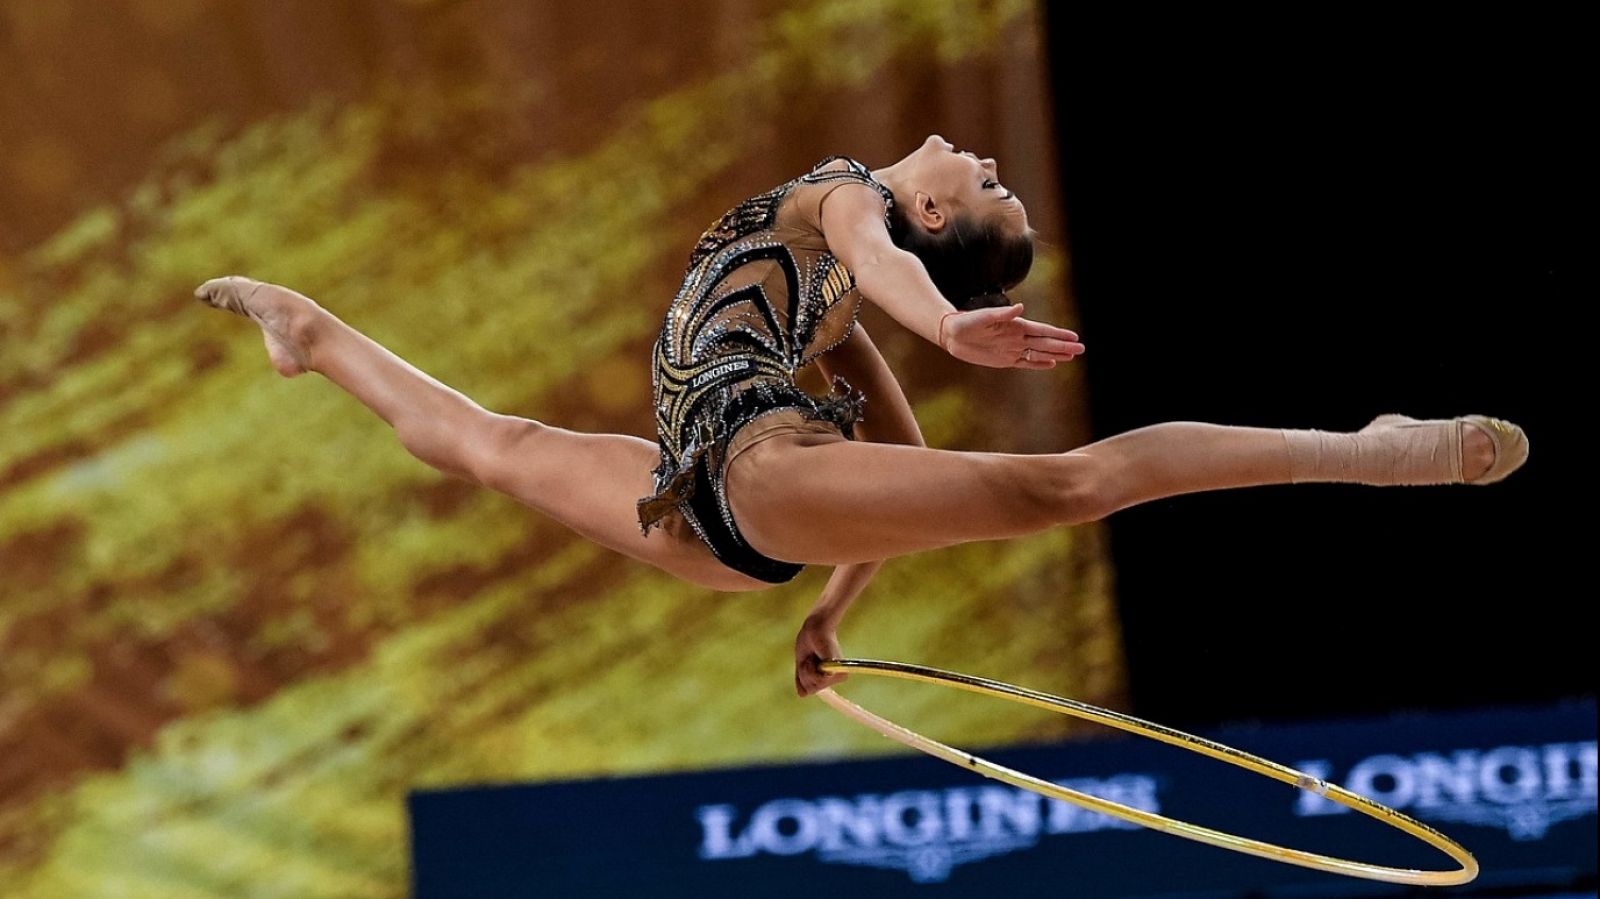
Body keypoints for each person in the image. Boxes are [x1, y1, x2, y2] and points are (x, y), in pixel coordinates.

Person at [194, 135, 1528, 700]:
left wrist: (940, 329)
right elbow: (898, 416)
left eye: (984, 181)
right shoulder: (838, 245)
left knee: (1062, 485)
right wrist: (832, 607)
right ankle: (310, 333)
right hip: (713, 498)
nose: (980, 159)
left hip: (748, 475)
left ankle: (1359, 449)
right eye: (999, 176)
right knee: (489, 447)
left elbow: (893, 367)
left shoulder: (847, 215)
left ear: (932, 214)